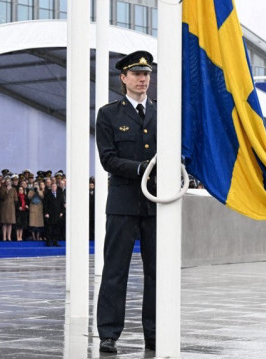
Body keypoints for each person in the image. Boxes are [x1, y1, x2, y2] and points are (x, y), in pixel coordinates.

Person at [95, 50, 157, 353]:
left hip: (157, 203)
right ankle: (108, 333)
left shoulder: (162, 112)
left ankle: (155, 331)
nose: (142, 79)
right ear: (123, 78)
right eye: (136, 74)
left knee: (156, 271)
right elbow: (108, 159)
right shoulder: (109, 114)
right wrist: (139, 169)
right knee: (115, 270)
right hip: (122, 202)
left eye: (146, 74)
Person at [43, 183, 64, 247]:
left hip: (57, 214)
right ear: (51, 187)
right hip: (50, 214)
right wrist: (46, 213)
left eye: (55, 186)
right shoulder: (47, 194)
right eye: (52, 186)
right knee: (49, 229)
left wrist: (61, 212)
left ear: (56, 187)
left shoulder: (60, 194)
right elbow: (45, 205)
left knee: (56, 229)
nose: (54, 187)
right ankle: (48, 242)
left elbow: (62, 203)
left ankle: (55, 242)